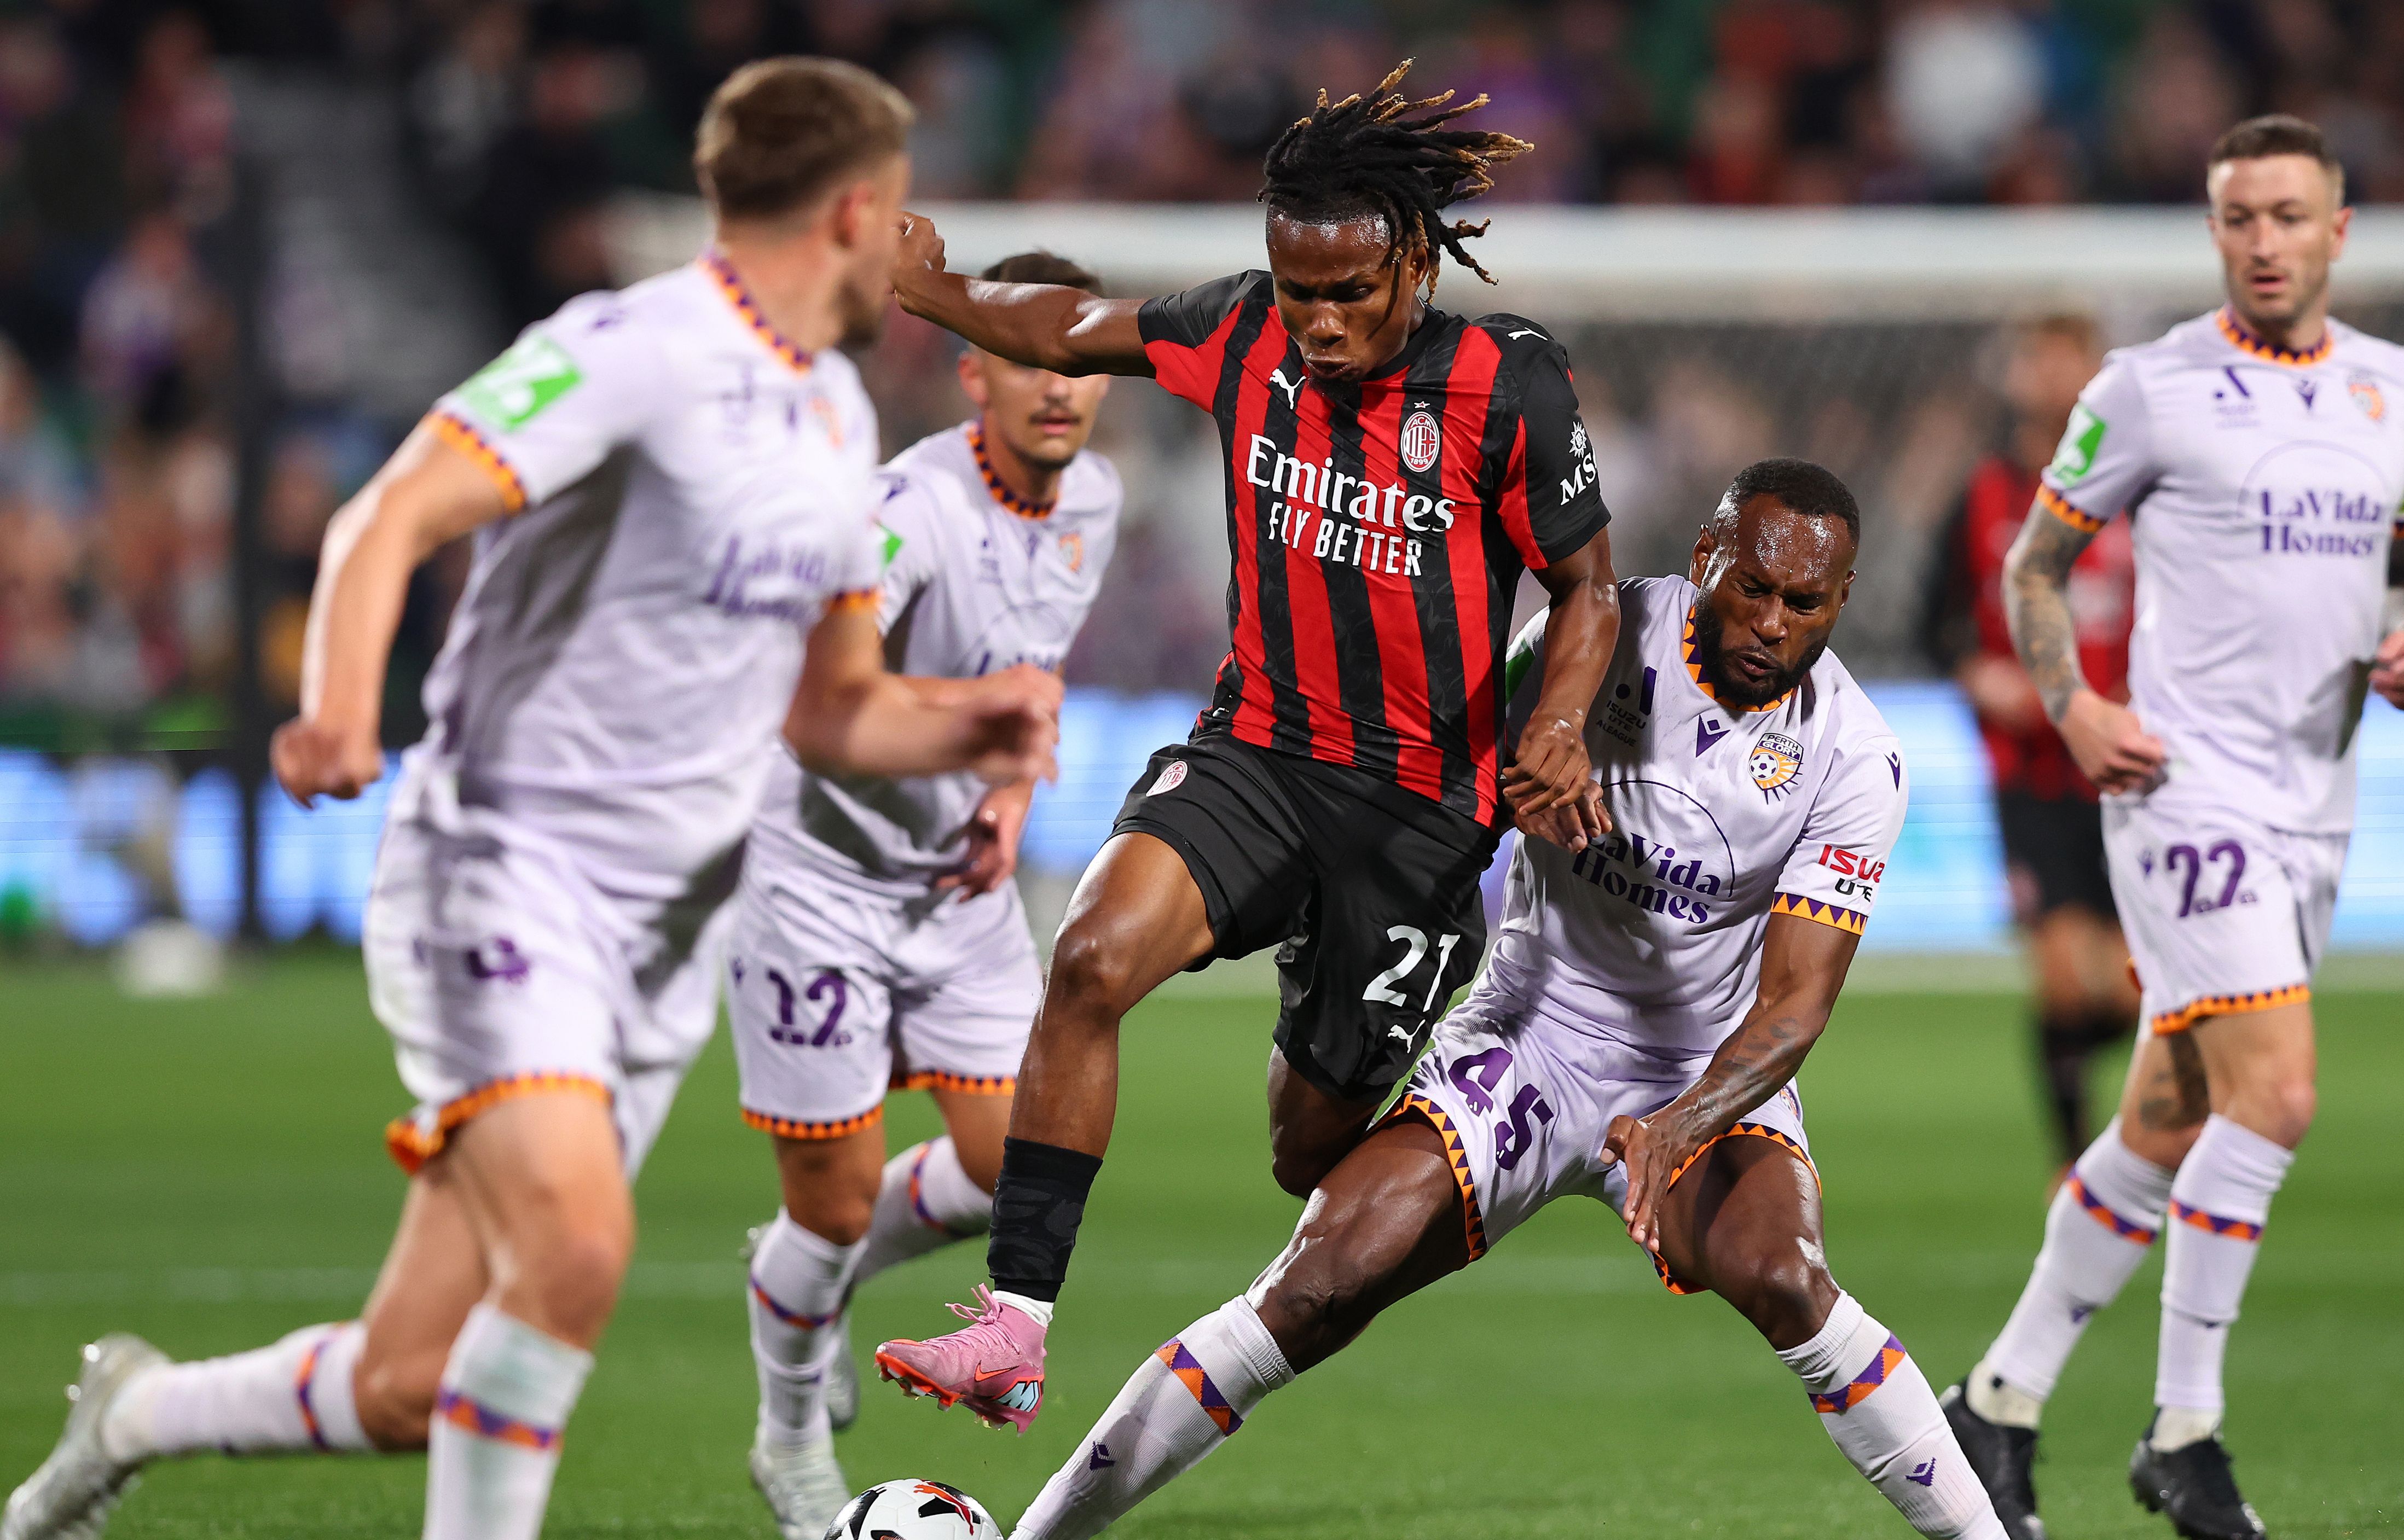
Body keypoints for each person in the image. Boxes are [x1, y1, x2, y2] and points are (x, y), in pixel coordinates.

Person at [3, 59, 1060, 1540]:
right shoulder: (629, 348)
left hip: (655, 942)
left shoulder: (826, 413)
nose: (909, 258)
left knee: (406, 1385)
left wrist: (980, 717)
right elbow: (393, 511)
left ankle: (135, 1412)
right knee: (574, 1247)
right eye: (900, 221)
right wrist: (335, 703)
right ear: (853, 209)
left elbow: (831, 710)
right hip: (506, 872)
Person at [993, 460, 2005, 1540]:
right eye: (1751, 585)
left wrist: (1681, 1124)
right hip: (1528, 1031)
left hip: (1696, 1071)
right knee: (1316, 1284)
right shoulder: (1604, 636)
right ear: (1709, 555)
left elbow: (1795, 1006)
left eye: (1804, 603)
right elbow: (1460, 789)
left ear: (1841, 600)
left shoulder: (1856, 757)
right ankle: (1038, 1537)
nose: (1770, 621)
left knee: (1790, 1278)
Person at [867, 61, 1623, 1430]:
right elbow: (1078, 322)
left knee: (1304, 1148)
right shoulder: (1241, 334)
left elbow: (1588, 590)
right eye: (1297, 290)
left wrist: (1559, 723)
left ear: (1408, 266)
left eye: (1346, 293)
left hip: (1419, 818)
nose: (1319, 322)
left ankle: (1475, 1111)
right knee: (1090, 957)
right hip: (1259, 755)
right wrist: (940, 294)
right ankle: (1013, 1326)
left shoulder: (1509, 390)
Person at [1940, 116, 2404, 1540]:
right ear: (2212, 231)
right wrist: (2076, 706)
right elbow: (2035, 566)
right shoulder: (2150, 389)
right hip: (2180, 788)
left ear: (2336, 230)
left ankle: (1995, 1402)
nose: (2264, 242)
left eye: (2289, 216)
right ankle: (2183, 1431)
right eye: (2238, 219)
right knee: (2273, 1095)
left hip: (2316, 803)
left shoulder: (2393, 394)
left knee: (2164, 1117)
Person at [731, 249, 1121, 1537]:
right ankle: (789, 1439)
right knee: (831, 1205)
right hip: (824, 881)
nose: (1056, 387)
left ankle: (817, 1285)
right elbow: (815, 711)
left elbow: (1035, 672)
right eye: (1025, 357)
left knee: (1016, 1164)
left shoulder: (1096, 504)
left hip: (956, 891)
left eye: (1077, 361)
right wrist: (981, 721)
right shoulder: (905, 509)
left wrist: (1006, 793)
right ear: (973, 374)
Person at [1918, 316, 2138, 1169]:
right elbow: (1936, 623)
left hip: (2123, 773)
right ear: (2015, 373)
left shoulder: (2136, 493)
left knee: (2127, 991)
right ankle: (2073, 1161)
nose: (2052, 378)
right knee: (2058, 971)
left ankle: (2105, 1102)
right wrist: (1979, 677)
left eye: (2068, 360)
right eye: (2038, 359)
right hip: (2029, 775)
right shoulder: (1979, 497)